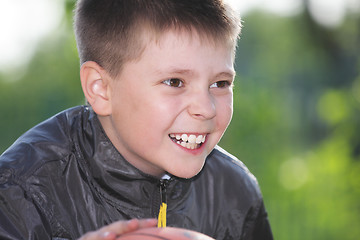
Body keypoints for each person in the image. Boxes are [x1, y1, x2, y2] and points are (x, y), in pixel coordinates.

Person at [0, 0, 273, 239]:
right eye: (175, 82)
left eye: (221, 83)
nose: (206, 108)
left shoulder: (234, 191)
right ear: (101, 88)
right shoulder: (19, 192)